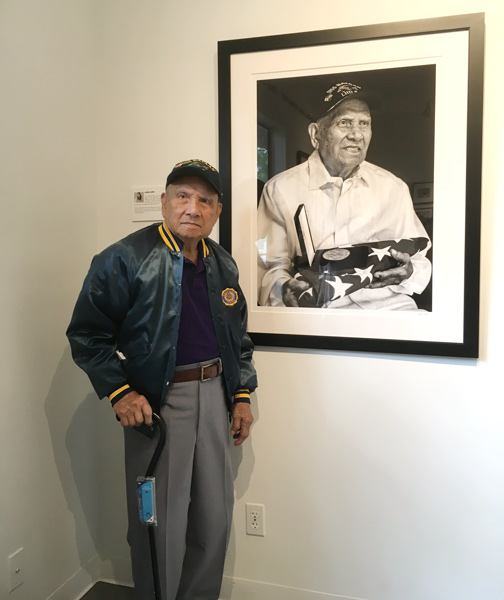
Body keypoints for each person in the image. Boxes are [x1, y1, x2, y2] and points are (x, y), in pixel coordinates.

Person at [67, 159, 257, 600]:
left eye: (205, 200)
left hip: (216, 397)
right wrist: (120, 391)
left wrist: (242, 395)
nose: (193, 207)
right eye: (183, 196)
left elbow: (238, 338)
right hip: (158, 406)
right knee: (159, 524)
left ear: (217, 210)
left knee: (214, 518)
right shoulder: (123, 258)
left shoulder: (222, 265)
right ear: (164, 201)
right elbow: (87, 334)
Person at [257, 82, 432, 310]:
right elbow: (268, 266)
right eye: (345, 123)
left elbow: (419, 258)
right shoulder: (280, 189)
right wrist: (285, 290)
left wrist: (408, 271)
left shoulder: (393, 188)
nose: (357, 135)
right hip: (317, 315)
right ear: (316, 133)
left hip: (390, 309)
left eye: (364, 124)